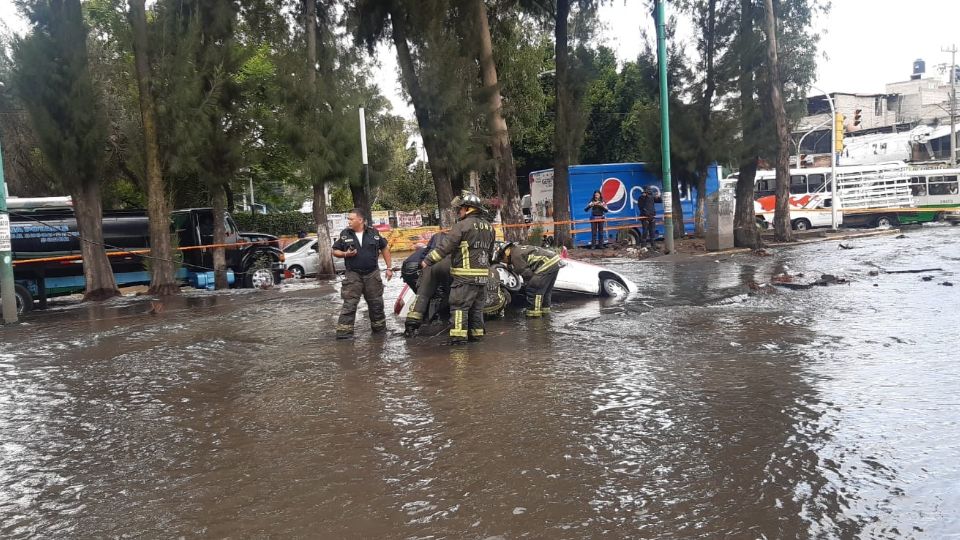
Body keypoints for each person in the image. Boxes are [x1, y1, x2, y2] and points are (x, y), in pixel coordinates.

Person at [421, 192, 495, 344]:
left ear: (468, 209)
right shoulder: (489, 228)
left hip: (464, 278)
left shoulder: (461, 226)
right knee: (476, 309)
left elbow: (445, 247)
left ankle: (459, 342)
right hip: (482, 277)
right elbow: (490, 253)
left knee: (460, 308)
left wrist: (427, 261)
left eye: (460, 209)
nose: (458, 212)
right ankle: (477, 339)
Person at [332, 209, 393, 339]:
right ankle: (344, 336)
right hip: (353, 275)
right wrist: (345, 254)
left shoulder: (374, 233)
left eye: (351, 219)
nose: (348, 221)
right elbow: (335, 251)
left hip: (372, 274)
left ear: (360, 220)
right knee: (349, 305)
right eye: (348, 219)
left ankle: (380, 334)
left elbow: (385, 249)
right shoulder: (345, 234)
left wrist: (389, 268)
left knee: (376, 304)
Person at [496, 242, 561, 317]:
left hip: (547, 263)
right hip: (555, 261)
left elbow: (527, 274)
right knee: (546, 291)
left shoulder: (515, 256)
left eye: (501, 258)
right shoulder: (517, 249)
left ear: (505, 254)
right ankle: (545, 313)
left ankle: (534, 315)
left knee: (534, 289)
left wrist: (528, 286)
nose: (503, 261)